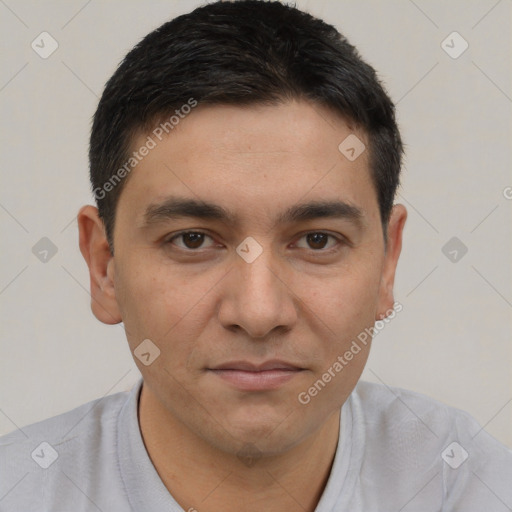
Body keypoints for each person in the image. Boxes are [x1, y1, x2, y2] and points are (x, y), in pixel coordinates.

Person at [1, 1, 511, 511]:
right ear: (104, 266)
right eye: (193, 240)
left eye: (317, 241)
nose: (259, 313)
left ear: (387, 263)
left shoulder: (472, 488)